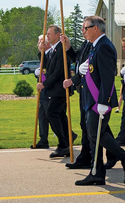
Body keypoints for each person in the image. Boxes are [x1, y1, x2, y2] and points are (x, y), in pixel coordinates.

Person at [75, 16, 125, 186]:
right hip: (92, 100)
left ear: (95, 28)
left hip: (99, 101)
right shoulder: (95, 46)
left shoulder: (104, 46)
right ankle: (97, 173)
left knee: (96, 134)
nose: (83, 31)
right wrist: (81, 71)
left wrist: (103, 101)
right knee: (95, 137)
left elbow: (108, 76)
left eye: (85, 28)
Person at [36, 25, 76, 158]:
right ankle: (68, 139)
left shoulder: (61, 48)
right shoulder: (54, 49)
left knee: (51, 113)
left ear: (58, 35)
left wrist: (44, 84)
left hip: (60, 88)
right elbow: (47, 66)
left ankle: (64, 144)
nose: (47, 36)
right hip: (55, 89)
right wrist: (42, 52)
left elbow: (59, 71)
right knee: (60, 115)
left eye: (49, 34)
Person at [61, 20, 94, 169]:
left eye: (85, 28)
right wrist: (68, 47)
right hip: (84, 89)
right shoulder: (86, 44)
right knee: (87, 125)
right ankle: (87, 157)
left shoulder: (94, 44)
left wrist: (72, 81)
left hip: (92, 90)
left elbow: (86, 68)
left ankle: (118, 156)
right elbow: (77, 59)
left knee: (92, 126)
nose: (82, 31)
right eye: (82, 28)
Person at [31, 35, 52, 149]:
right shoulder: (43, 55)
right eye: (39, 41)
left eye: (41, 41)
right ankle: (43, 139)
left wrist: (41, 73)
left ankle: (68, 136)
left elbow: (50, 71)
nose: (39, 44)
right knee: (42, 116)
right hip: (43, 90)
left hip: (51, 90)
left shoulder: (51, 53)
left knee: (53, 116)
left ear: (47, 43)